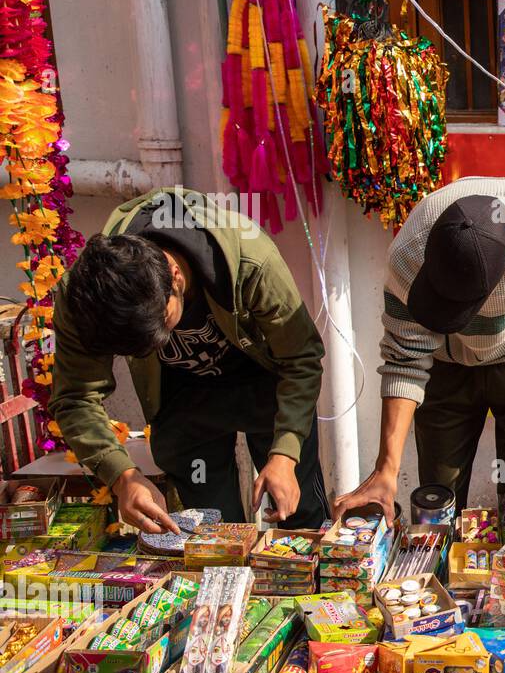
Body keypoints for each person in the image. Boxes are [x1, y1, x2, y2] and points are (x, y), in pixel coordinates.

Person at [334, 176, 505, 521]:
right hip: (446, 367)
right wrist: (386, 470)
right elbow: (404, 360)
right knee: (437, 502)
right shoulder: (409, 252)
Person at [50, 187, 327, 534]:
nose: (157, 346)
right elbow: (75, 398)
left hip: (267, 389)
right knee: (210, 531)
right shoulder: (83, 297)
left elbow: (301, 358)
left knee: (299, 520)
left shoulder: (249, 262)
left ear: (175, 277)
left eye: (161, 327)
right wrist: (122, 476)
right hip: (184, 406)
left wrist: (285, 454)